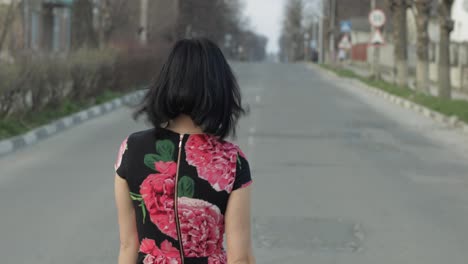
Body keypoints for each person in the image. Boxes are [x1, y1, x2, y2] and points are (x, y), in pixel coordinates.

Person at [114, 38, 255, 264]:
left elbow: (128, 245)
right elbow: (240, 257)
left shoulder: (131, 150)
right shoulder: (231, 160)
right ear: (219, 89)